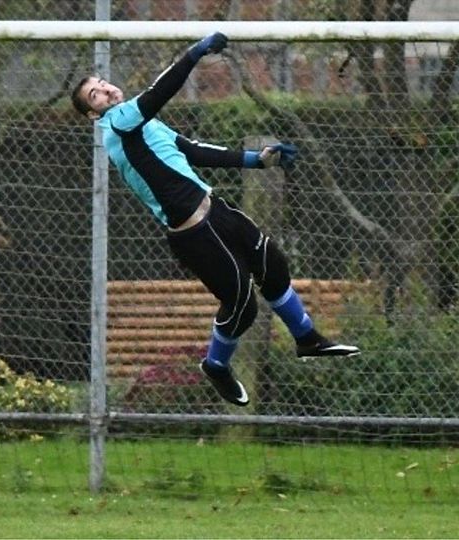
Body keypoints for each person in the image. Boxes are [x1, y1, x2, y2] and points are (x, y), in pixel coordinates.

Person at [70, 32, 359, 406]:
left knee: (271, 261)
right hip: (195, 234)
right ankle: (216, 365)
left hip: (215, 209)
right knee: (243, 305)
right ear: (94, 114)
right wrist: (195, 53)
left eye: (102, 83)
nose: (106, 90)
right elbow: (161, 90)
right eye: (96, 95)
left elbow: (193, 151)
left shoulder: (142, 122)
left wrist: (256, 159)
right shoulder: (117, 124)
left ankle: (307, 339)